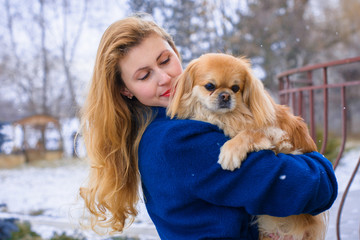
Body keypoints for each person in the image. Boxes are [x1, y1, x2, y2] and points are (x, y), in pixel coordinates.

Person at [79, 14, 338, 240]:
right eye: (144, 75)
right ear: (125, 89)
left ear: (176, 53)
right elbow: (312, 189)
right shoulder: (178, 141)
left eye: (165, 60)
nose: (165, 77)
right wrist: (319, 164)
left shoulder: (161, 127)